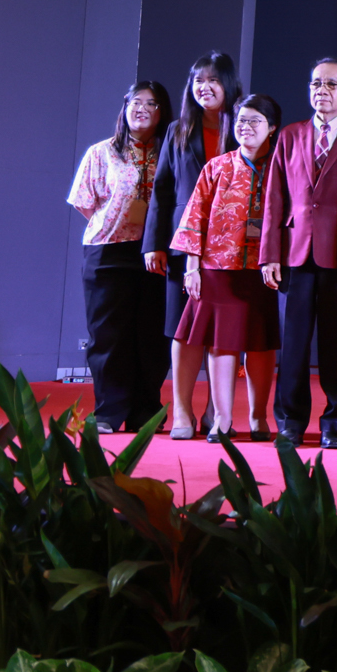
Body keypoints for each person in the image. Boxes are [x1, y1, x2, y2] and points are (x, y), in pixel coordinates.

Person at [261, 58, 337, 450]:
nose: (321, 91)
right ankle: (290, 422)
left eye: (331, 84)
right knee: (293, 347)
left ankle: (333, 422)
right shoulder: (290, 135)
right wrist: (269, 254)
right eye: (316, 83)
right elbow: (274, 197)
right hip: (294, 254)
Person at [171, 93, 284, 441]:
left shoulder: (282, 166)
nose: (245, 127)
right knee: (222, 342)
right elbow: (195, 217)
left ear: (272, 128)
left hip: (264, 266)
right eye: (240, 121)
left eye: (254, 121)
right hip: (217, 266)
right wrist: (192, 267)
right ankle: (221, 419)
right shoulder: (217, 166)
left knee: (261, 343)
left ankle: (258, 417)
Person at [144, 51, 241, 439]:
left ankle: (216, 410)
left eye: (213, 80)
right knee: (182, 329)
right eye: (199, 81)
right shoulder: (177, 130)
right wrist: (154, 242)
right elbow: (162, 189)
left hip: (232, 246)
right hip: (184, 244)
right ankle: (182, 411)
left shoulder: (244, 125)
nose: (205, 88)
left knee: (222, 331)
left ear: (229, 84)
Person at [68, 80, 172, 433]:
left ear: (163, 112)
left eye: (151, 103)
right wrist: (117, 223)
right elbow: (86, 203)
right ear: (124, 107)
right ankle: (109, 412)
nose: (141, 108)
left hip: (156, 251)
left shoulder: (171, 152)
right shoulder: (101, 152)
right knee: (107, 334)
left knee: (152, 335)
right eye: (135, 102)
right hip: (108, 250)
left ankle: (145, 411)